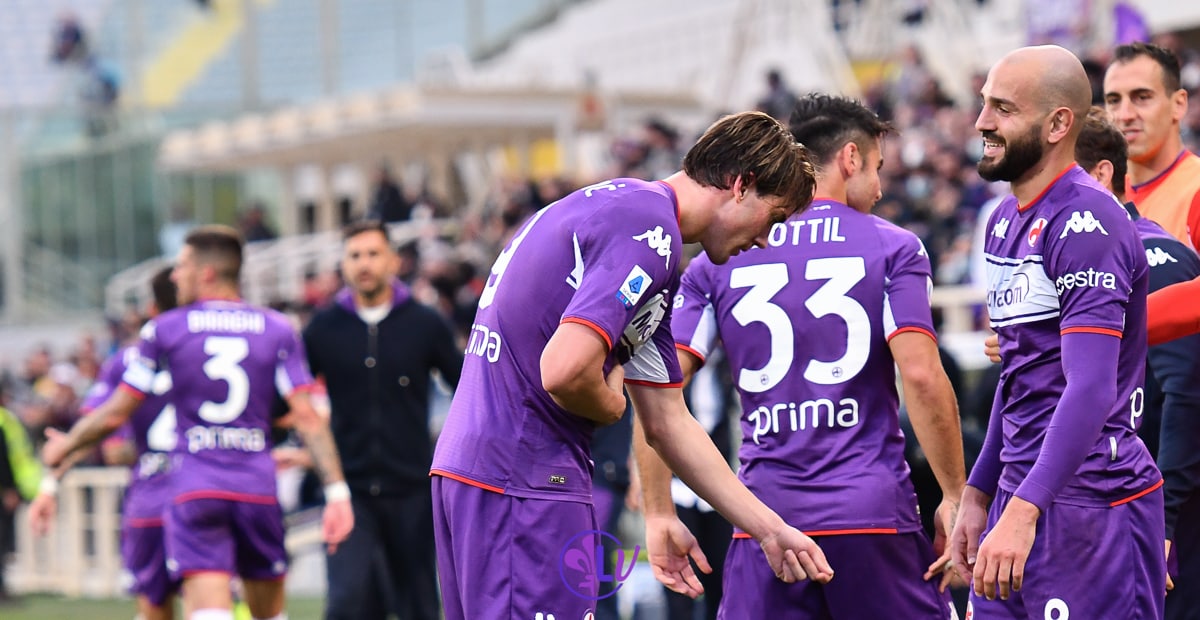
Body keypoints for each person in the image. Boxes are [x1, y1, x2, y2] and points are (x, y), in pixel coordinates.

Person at [430, 111, 833, 620]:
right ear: (741, 184)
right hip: (524, 479)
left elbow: (667, 421)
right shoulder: (649, 231)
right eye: (773, 219)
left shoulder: (625, 211)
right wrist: (610, 404)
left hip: (478, 472)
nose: (765, 240)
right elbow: (565, 371)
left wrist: (767, 529)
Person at [638, 93, 966, 619]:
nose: (880, 189)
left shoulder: (718, 258)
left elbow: (658, 387)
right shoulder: (893, 246)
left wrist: (657, 507)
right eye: (877, 169)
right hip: (872, 513)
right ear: (850, 158)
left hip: (765, 518)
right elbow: (923, 377)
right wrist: (955, 494)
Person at [948, 46, 1164, 619]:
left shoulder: (1088, 221)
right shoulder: (1001, 221)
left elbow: (1090, 388)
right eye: (983, 104)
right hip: (1023, 493)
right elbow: (1017, 376)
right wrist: (978, 492)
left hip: (1089, 502)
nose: (982, 122)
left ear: (1057, 124)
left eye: (1003, 108)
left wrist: (1024, 509)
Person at [41, 225, 354, 620]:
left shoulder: (165, 329)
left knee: (204, 613)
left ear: (206, 272)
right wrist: (338, 491)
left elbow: (116, 413)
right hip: (256, 488)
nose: (175, 275)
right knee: (270, 616)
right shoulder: (277, 328)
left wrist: (65, 445)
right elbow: (307, 417)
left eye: (183, 265)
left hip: (197, 489)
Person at [300, 220, 462, 620]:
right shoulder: (323, 327)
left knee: (419, 606)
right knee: (347, 603)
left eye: (373, 254)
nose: (364, 263)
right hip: (348, 491)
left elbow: (466, 387)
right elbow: (292, 396)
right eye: (355, 255)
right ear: (343, 264)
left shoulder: (425, 323)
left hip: (411, 489)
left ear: (393, 260)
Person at [29, 266, 180, 620]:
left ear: (152, 308)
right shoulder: (222, 347)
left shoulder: (128, 359)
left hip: (151, 496)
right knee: (218, 597)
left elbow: (103, 436)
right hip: (211, 490)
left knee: (155, 607)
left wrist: (50, 484)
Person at [1104, 41, 1200, 251]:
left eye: (1142, 97)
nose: (1125, 115)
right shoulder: (1100, 196)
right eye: (1113, 100)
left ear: (1178, 104)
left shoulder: (1195, 190)